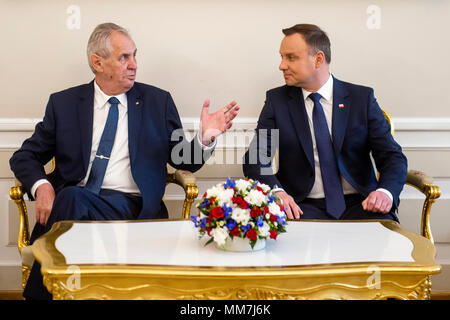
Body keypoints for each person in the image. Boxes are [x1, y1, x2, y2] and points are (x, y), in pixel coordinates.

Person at [10, 22, 239, 299]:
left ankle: (39, 295)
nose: (134, 65)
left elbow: (182, 160)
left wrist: (204, 138)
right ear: (98, 62)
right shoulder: (65, 103)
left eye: (134, 55)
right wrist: (41, 185)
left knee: (69, 199)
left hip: (135, 207)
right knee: (71, 197)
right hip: (80, 204)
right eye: (124, 58)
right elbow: (25, 155)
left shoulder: (157, 101)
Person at [243, 24, 407, 222]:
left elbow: (392, 156)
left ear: (318, 59)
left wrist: (385, 192)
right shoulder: (276, 102)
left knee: (384, 247)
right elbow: (255, 159)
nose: (282, 65)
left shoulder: (360, 99)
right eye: (281, 57)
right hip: (300, 207)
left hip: (362, 204)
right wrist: (277, 193)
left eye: (291, 57)